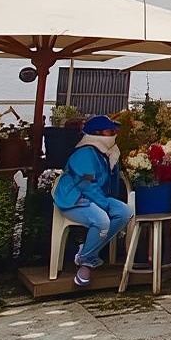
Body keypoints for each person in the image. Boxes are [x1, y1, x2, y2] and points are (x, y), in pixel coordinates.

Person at [51, 116, 134, 287]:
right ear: (97, 133)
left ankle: (87, 251)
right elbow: (87, 184)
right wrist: (105, 205)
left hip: (95, 198)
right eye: (110, 130)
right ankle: (87, 261)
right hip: (74, 199)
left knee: (125, 212)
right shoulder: (85, 153)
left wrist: (107, 203)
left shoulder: (104, 152)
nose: (114, 133)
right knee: (102, 220)